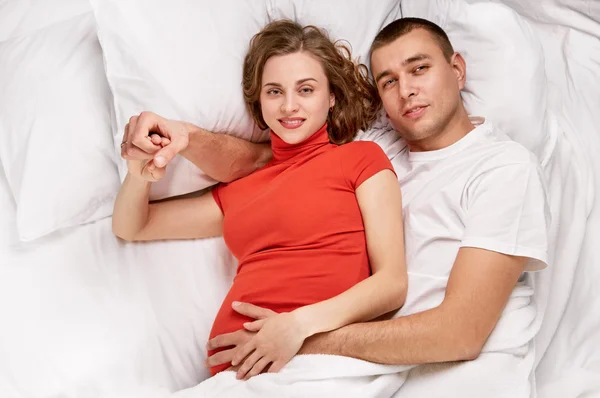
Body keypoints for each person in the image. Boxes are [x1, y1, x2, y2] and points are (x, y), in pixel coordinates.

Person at [122, 17, 551, 396]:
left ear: (457, 70)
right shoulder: (377, 145)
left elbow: (457, 332)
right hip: (292, 367)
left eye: (420, 68)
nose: (407, 90)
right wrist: (165, 149)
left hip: (422, 372)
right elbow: (263, 163)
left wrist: (293, 333)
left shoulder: (501, 168)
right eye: (387, 81)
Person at [113, 20, 408, 380]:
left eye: (305, 89)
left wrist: (296, 327)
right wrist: (137, 173)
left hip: (314, 362)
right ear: (259, 102)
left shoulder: (362, 159)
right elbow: (134, 226)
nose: (288, 106)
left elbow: (392, 284)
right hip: (232, 375)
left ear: (331, 97)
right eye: (274, 91)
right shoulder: (241, 188)